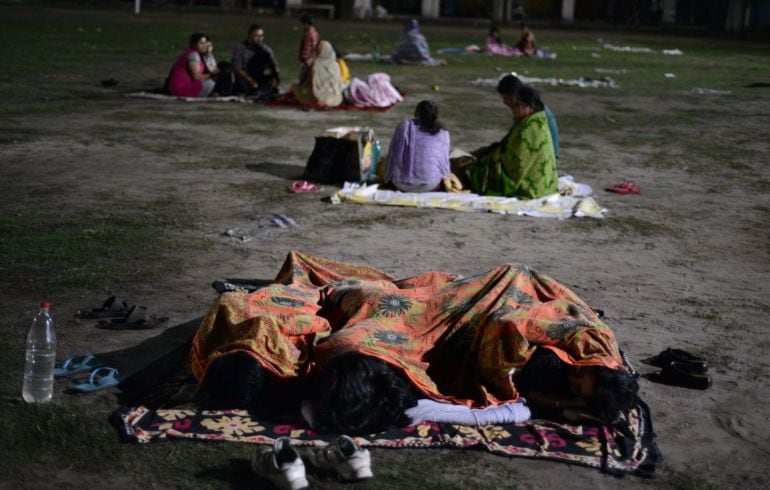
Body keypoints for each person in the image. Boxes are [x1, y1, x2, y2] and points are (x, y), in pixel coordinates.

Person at [192, 251, 639, 434]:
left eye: (576, 383)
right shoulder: (589, 344)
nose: (576, 374)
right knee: (390, 297)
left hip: (430, 326)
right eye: (584, 377)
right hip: (480, 300)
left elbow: (510, 389)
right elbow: (526, 315)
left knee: (372, 304)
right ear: (599, 367)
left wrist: (559, 403)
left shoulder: (564, 370)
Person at [466, 85, 558, 199]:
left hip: (531, 186)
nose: (514, 110)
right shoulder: (533, 121)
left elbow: (517, 162)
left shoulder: (531, 129)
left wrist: (490, 158)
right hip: (544, 185)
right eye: (513, 106)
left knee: (473, 173)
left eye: (517, 106)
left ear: (530, 106)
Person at [384, 100, 450, 192]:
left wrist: (386, 178)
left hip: (401, 184)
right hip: (430, 185)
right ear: (435, 115)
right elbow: (444, 163)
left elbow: (392, 156)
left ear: (417, 112)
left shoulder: (403, 127)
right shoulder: (443, 132)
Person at [231, 24, 280, 100]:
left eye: (261, 36)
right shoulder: (240, 48)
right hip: (244, 78)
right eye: (256, 36)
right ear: (249, 36)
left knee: (272, 81)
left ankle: (264, 93)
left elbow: (274, 66)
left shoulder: (266, 49)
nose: (259, 39)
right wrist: (250, 80)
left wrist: (275, 78)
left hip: (259, 77)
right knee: (241, 83)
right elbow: (237, 68)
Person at [290, 40, 343, 107]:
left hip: (311, 97)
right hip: (333, 98)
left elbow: (302, 78)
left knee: (295, 88)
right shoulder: (335, 65)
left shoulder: (311, 63)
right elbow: (339, 84)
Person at [168, 33, 217, 98]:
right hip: (181, 88)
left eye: (205, 43)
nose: (204, 46)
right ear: (194, 45)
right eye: (201, 43)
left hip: (184, 85)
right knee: (210, 83)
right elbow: (196, 76)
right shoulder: (193, 55)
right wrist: (213, 75)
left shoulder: (195, 54)